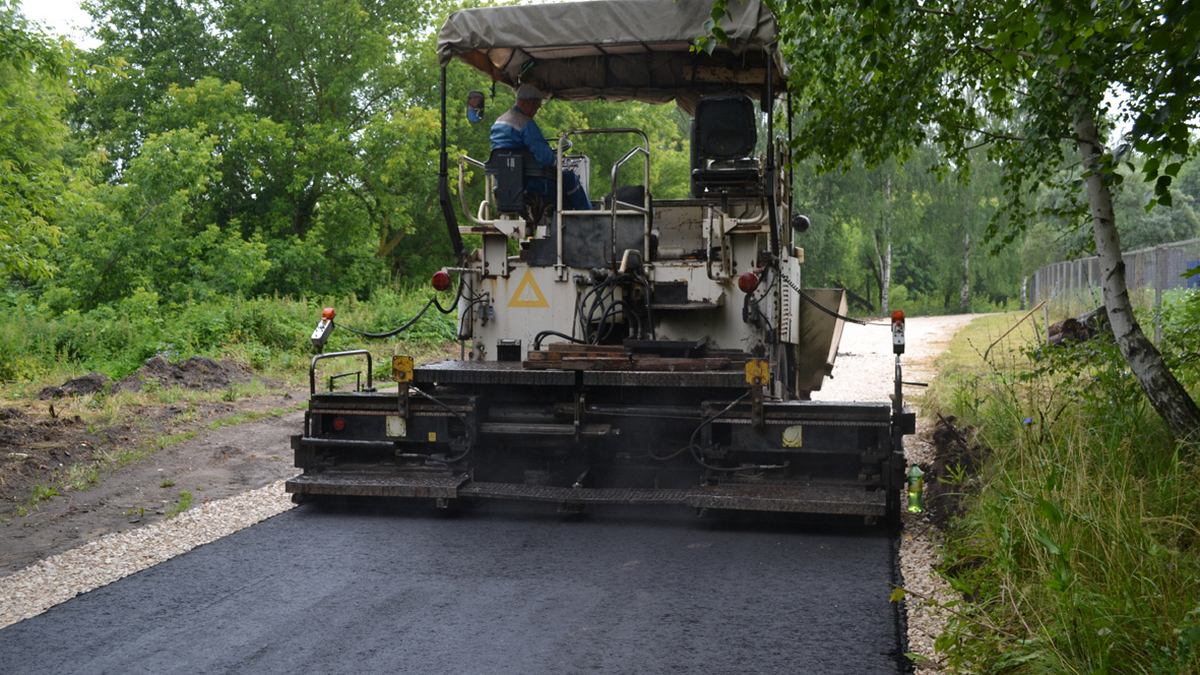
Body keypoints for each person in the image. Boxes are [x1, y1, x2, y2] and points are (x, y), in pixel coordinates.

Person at [490, 83, 591, 211]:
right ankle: (588, 216)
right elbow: (545, 158)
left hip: (504, 185)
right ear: (531, 103)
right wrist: (557, 162)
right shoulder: (525, 123)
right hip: (531, 184)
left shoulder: (498, 123)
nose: (535, 113)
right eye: (537, 108)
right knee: (569, 177)